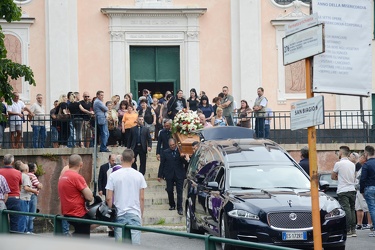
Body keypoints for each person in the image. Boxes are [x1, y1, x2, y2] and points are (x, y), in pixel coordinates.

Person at [106, 148, 147, 244]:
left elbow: (108, 198)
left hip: (119, 214)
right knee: (135, 245)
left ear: (121, 159)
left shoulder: (113, 175)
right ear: (133, 160)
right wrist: (140, 215)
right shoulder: (139, 175)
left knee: (120, 245)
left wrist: (111, 215)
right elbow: (141, 198)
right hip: (134, 213)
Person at [58, 154, 94, 237]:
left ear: (69, 164)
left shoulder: (63, 176)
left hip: (67, 212)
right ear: (81, 164)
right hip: (78, 213)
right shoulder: (76, 177)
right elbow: (89, 197)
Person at [158, 138, 188, 215]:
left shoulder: (180, 151)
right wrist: (160, 175)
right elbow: (162, 164)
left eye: (173, 145)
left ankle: (180, 208)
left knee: (179, 191)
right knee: (169, 190)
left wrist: (183, 157)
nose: (172, 146)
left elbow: (186, 163)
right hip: (169, 174)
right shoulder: (165, 152)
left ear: (176, 144)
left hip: (179, 174)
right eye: (170, 145)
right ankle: (172, 205)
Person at [332, 145, 357, 237]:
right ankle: (353, 230)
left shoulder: (338, 164)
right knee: (352, 209)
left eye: (339, 152)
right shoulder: (352, 164)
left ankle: (348, 229)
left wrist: (340, 177)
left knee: (346, 209)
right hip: (352, 189)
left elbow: (333, 176)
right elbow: (354, 177)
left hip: (343, 189)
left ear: (341, 153)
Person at [0, 154, 22, 232]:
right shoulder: (18, 172)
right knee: (15, 222)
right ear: (12, 162)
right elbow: (19, 186)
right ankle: (14, 239)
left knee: (1, 221)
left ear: (3, 161)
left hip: (2, 199)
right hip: (14, 198)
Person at [352, 153, 373, 230]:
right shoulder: (359, 166)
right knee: (358, 207)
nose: (359, 158)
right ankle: (359, 224)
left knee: (366, 207)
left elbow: (362, 178)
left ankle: (369, 223)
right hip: (357, 189)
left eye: (361, 157)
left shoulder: (365, 166)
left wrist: (362, 189)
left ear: (364, 158)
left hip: (362, 189)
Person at [19, 163, 39, 233]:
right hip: (25, 198)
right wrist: (34, 191)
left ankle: (23, 231)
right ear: (26, 169)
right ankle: (27, 231)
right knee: (27, 215)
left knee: (22, 216)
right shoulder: (26, 176)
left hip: (19, 197)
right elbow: (26, 188)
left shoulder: (19, 175)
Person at [360, 145, 375, 235]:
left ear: (366, 154)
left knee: (372, 209)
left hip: (370, 188)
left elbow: (363, 179)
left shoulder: (366, 164)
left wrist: (362, 190)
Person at [27, 162, 43, 233]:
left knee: (26, 212)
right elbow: (38, 185)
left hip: (26, 196)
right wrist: (40, 185)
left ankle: (26, 230)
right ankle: (30, 230)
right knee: (32, 213)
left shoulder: (25, 174)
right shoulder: (32, 175)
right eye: (36, 167)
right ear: (33, 169)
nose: (36, 168)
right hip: (32, 195)